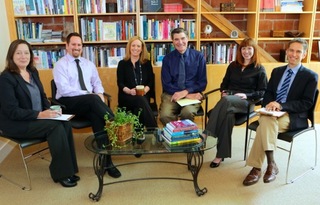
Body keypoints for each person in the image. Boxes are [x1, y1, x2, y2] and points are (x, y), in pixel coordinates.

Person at [0, 39, 79, 188]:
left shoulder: (32, 72)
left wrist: (51, 110)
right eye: (18, 53)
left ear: (30, 55)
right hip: (16, 124)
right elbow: (12, 111)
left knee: (65, 124)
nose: (23, 56)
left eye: (26, 53)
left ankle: (69, 170)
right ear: (11, 55)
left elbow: (42, 96)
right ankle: (61, 174)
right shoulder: (6, 79)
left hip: (37, 118)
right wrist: (39, 114)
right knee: (54, 127)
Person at [242, 38, 318, 186]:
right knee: (266, 120)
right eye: (291, 50)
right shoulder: (277, 71)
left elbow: (307, 103)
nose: (294, 54)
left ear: (304, 54)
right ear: (287, 51)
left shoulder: (310, 76)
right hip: (272, 113)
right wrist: (269, 105)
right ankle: (271, 164)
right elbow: (268, 92)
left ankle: (257, 168)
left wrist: (282, 106)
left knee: (263, 124)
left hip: (293, 116)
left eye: (298, 51)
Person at [53, 32, 121, 178]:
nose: (76, 47)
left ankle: (107, 162)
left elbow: (97, 83)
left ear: (82, 47)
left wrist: (100, 95)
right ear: (67, 46)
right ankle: (115, 123)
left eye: (79, 45)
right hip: (68, 103)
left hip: (89, 104)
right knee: (92, 99)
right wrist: (90, 96)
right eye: (73, 44)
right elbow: (64, 90)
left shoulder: (88, 64)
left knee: (97, 117)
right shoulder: (60, 65)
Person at [204, 38, 268, 168]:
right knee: (228, 116)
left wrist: (247, 95)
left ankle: (206, 133)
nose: (246, 51)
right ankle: (220, 155)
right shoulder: (233, 66)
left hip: (247, 102)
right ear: (240, 51)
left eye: (249, 48)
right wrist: (224, 91)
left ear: (254, 50)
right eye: (243, 48)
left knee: (226, 101)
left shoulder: (259, 69)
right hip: (229, 102)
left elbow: (263, 92)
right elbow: (224, 84)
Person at [159, 27, 207, 126]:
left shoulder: (199, 57)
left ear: (187, 39)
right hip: (171, 94)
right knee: (164, 115)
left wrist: (186, 93)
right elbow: (166, 84)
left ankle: (186, 138)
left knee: (187, 113)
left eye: (182, 38)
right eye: (176, 39)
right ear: (172, 41)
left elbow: (202, 83)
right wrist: (185, 94)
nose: (180, 42)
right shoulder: (167, 59)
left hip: (192, 93)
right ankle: (175, 136)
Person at [117, 36, 157, 129]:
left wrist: (145, 90)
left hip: (143, 95)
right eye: (133, 45)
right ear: (129, 47)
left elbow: (151, 81)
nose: (136, 48)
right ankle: (154, 129)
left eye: (138, 46)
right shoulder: (122, 63)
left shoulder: (147, 63)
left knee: (139, 107)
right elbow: (120, 83)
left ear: (142, 48)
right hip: (127, 96)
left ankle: (138, 135)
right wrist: (130, 91)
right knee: (140, 101)